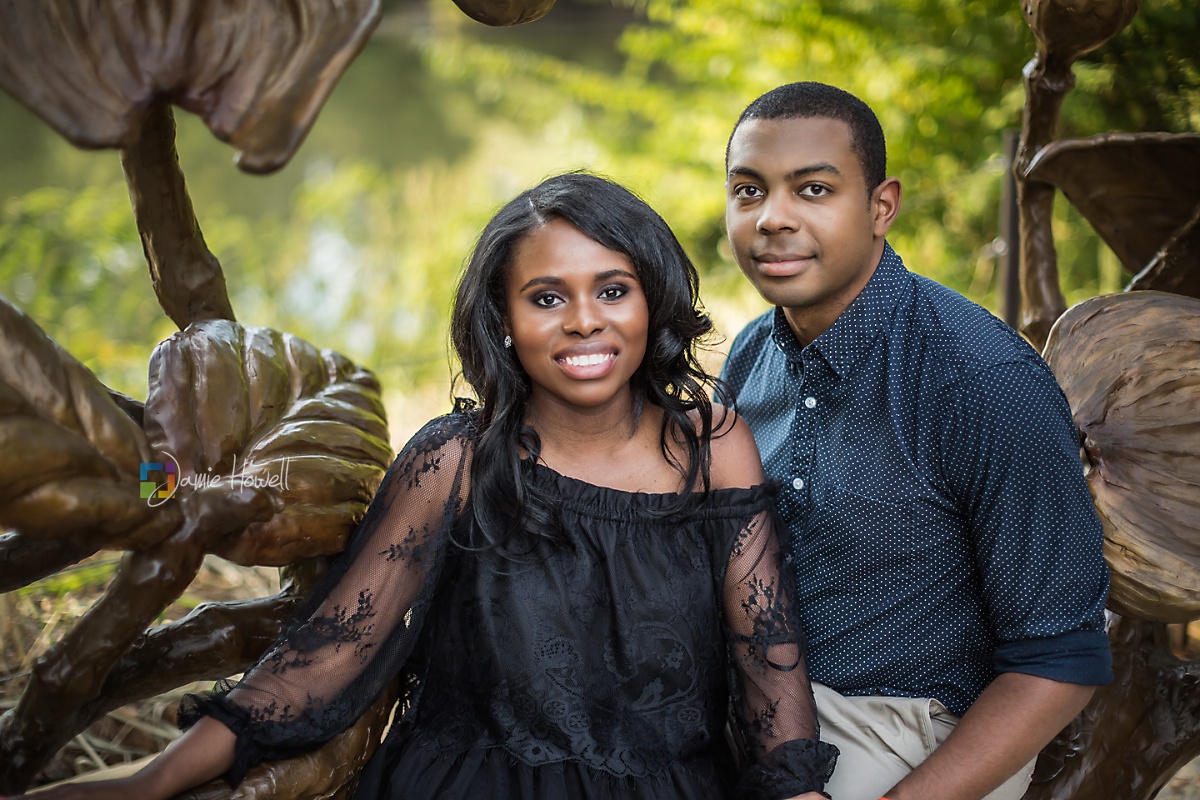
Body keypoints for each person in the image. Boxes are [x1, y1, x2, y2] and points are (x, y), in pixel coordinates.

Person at [18, 172, 837, 800]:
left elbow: (766, 654)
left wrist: (798, 791)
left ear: (651, 299)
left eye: (612, 290)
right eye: (546, 297)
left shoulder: (713, 444)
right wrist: (148, 781)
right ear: (503, 321)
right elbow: (327, 653)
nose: (584, 321)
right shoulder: (459, 458)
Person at [718, 82, 1112, 800]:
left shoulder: (983, 382)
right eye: (748, 191)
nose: (772, 218)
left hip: (906, 733)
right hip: (759, 701)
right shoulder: (750, 357)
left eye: (812, 189)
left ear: (881, 206)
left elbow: (1061, 662)